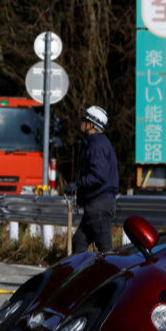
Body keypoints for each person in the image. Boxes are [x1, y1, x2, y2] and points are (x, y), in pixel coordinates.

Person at [65, 105, 118, 253]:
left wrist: (77, 185)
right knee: (79, 244)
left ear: (91, 125)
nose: (81, 122)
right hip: (95, 205)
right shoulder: (95, 143)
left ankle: (113, 275)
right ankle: (83, 275)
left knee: (106, 251)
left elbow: (98, 176)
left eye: (84, 119)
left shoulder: (97, 146)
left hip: (99, 206)